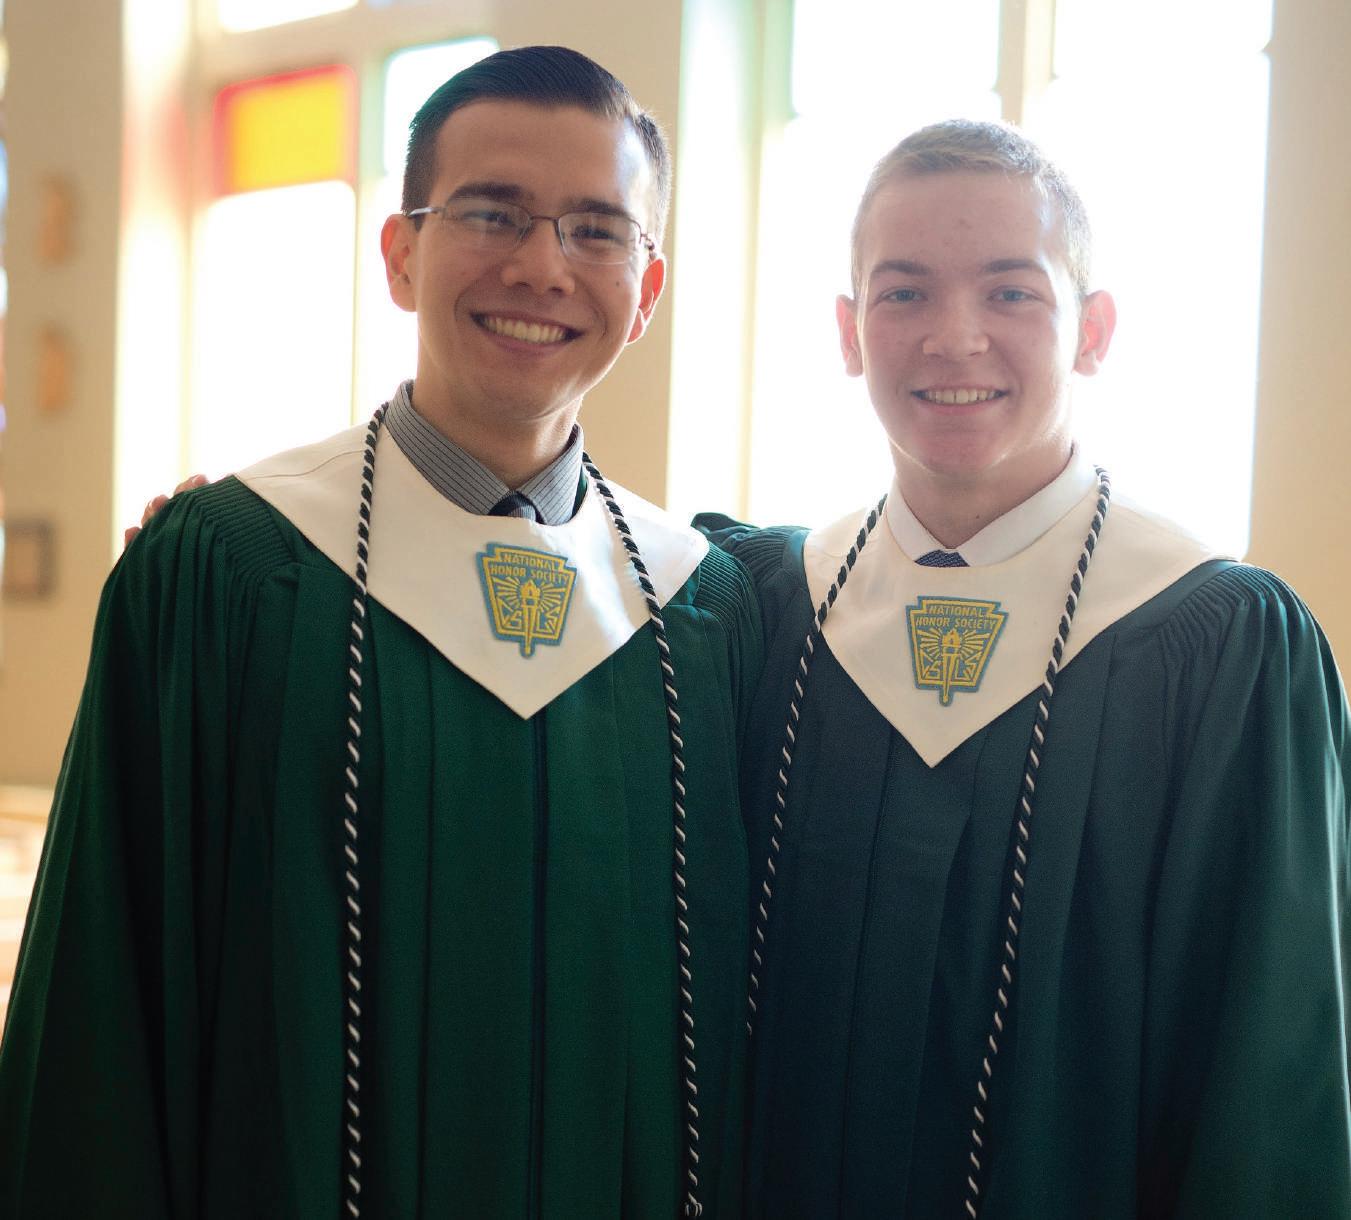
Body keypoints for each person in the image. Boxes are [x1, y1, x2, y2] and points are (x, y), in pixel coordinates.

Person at [0, 47, 760, 1217]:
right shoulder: (228, 573)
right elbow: (103, 1001)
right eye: (492, 212)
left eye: (597, 230)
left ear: (646, 289)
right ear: (401, 255)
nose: (542, 264)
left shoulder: (701, 617)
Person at [705, 121, 1351, 1217]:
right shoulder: (766, 610)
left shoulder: (1219, 646)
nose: (954, 337)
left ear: (1091, 330)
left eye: (1010, 292)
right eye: (904, 292)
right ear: (849, 332)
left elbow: (1265, 1072)